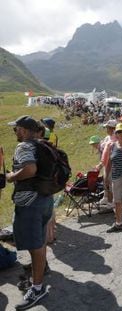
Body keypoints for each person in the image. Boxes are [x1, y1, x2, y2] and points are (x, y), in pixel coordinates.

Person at [6, 116, 52, 310]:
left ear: (24, 130)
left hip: (30, 203)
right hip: (44, 199)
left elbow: (31, 169)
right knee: (39, 242)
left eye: (15, 129)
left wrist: (10, 177)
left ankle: (37, 287)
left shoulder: (24, 147)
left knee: (33, 245)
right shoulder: (43, 145)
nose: (15, 133)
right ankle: (39, 274)